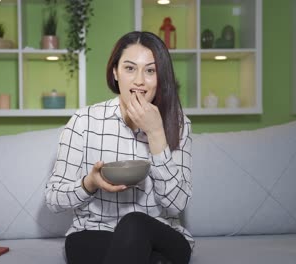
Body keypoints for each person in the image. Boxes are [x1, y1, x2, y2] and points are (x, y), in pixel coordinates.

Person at [45, 31, 193, 264]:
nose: (140, 81)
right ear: (115, 72)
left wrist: (156, 134)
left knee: (134, 222)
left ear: (161, 76)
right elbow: (53, 200)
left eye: (150, 70)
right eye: (130, 68)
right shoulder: (84, 121)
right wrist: (89, 184)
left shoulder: (177, 123)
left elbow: (175, 206)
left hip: (159, 234)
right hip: (94, 234)